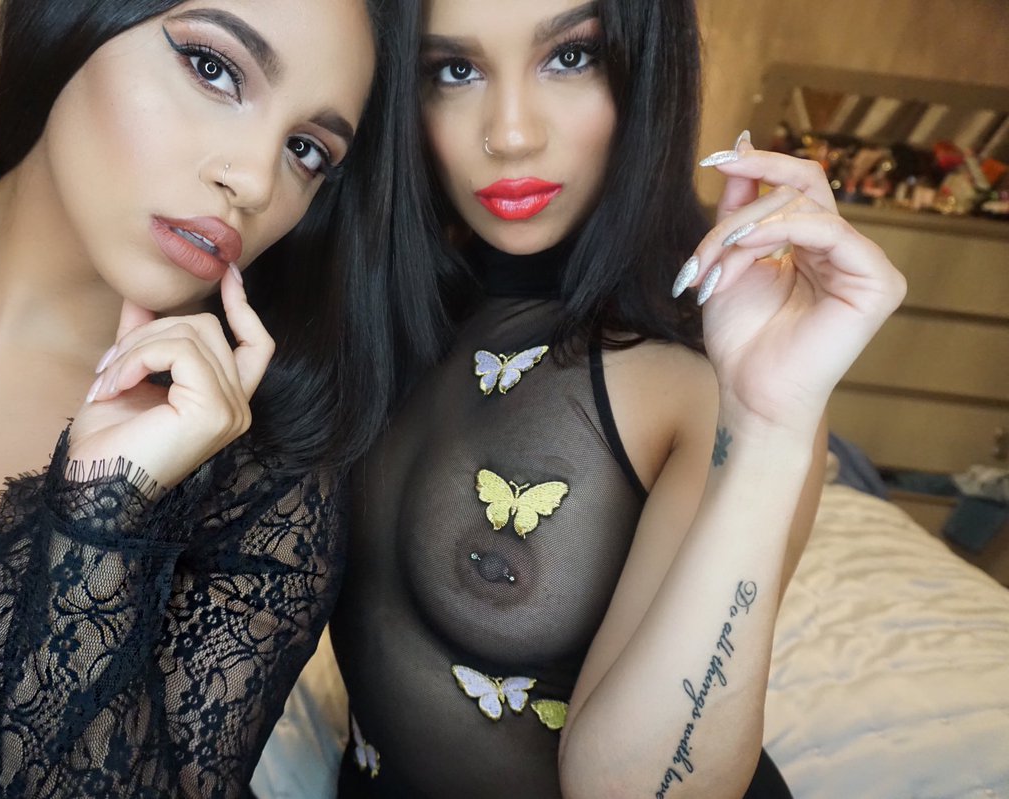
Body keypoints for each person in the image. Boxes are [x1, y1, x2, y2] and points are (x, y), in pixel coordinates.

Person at [0, 0, 427, 795]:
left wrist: (107, 524)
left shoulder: (268, 490)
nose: (253, 180)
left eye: (306, 149)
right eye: (214, 69)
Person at [329, 0, 907, 797]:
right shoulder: (374, 306)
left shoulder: (704, 374)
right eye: (455, 70)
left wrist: (772, 428)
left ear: (649, 70)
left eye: (571, 57)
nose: (511, 134)